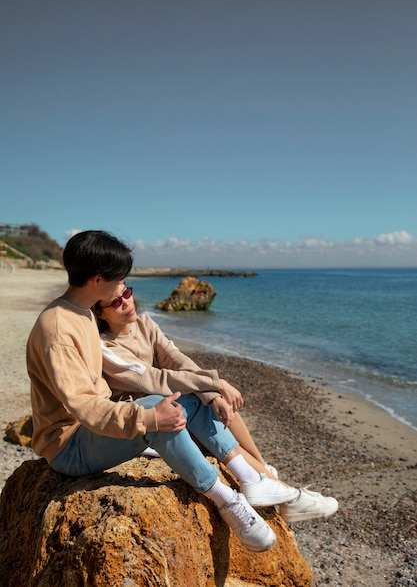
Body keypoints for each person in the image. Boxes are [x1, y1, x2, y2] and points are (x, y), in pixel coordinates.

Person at [27, 230, 293, 554]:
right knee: (157, 411)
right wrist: (149, 416)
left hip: (94, 429)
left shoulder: (81, 311)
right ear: (97, 280)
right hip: (69, 444)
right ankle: (227, 499)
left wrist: (210, 388)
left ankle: (248, 477)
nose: (124, 288)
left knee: (186, 399)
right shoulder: (57, 329)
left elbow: (159, 374)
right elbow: (86, 407)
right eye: (119, 279)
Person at [92, 286, 339, 524]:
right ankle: (290, 495)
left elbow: (177, 360)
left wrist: (214, 393)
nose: (125, 302)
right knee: (210, 413)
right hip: (150, 421)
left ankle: (265, 472)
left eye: (126, 293)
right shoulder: (107, 347)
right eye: (115, 302)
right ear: (100, 312)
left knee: (217, 407)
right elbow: (155, 380)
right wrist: (215, 383)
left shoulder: (145, 323)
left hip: (173, 407)